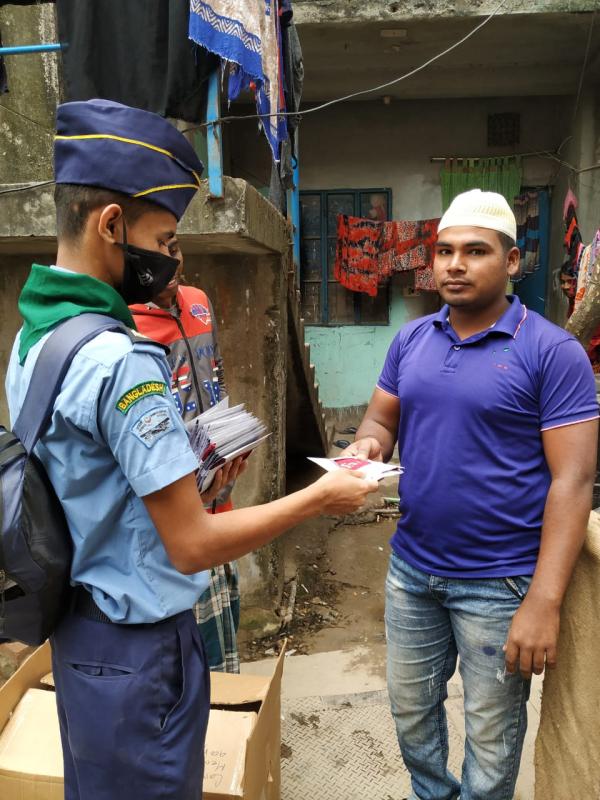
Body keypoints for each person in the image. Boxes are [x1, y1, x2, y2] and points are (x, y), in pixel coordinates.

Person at [5, 98, 378, 800]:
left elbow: (92, 493)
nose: (170, 257)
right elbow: (192, 546)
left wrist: (196, 483)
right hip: (140, 654)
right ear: (112, 224)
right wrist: (318, 497)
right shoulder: (121, 359)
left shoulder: (35, 338)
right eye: (164, 236)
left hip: (79, 638)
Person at [342, 189, 598, 800]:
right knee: (411, 715)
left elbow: (574, 481)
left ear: (512, 262)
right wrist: (366, 448)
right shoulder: (413, 340)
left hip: (501, 583)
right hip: (411, 571)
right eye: (445, 251)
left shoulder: (553, 353)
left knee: (491, 736)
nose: (454, 265)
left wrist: (545, 600)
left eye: (475, 251)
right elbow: (380, 422)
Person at [130, 251, 243, 673]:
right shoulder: (125, 323)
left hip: (219, 487)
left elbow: (217, 374)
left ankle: (227, 723)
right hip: (177, 502)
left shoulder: (198, 300)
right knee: (192, 644)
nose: (173, 261)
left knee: (225, 615)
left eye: (176, 247)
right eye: (160, 249)